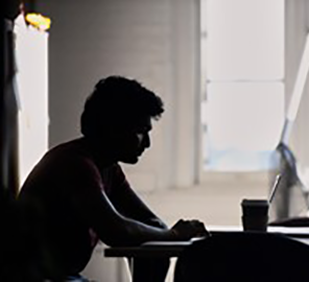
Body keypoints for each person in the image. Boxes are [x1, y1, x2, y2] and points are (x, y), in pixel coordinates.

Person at [17, 76, 209, 282]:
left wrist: (168, 235)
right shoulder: (74, 164)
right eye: (141, 132)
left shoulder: (108, 168)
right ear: (114, 127)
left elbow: (151, 223)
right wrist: (173, 236)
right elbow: (116, 231)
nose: (147, 143)